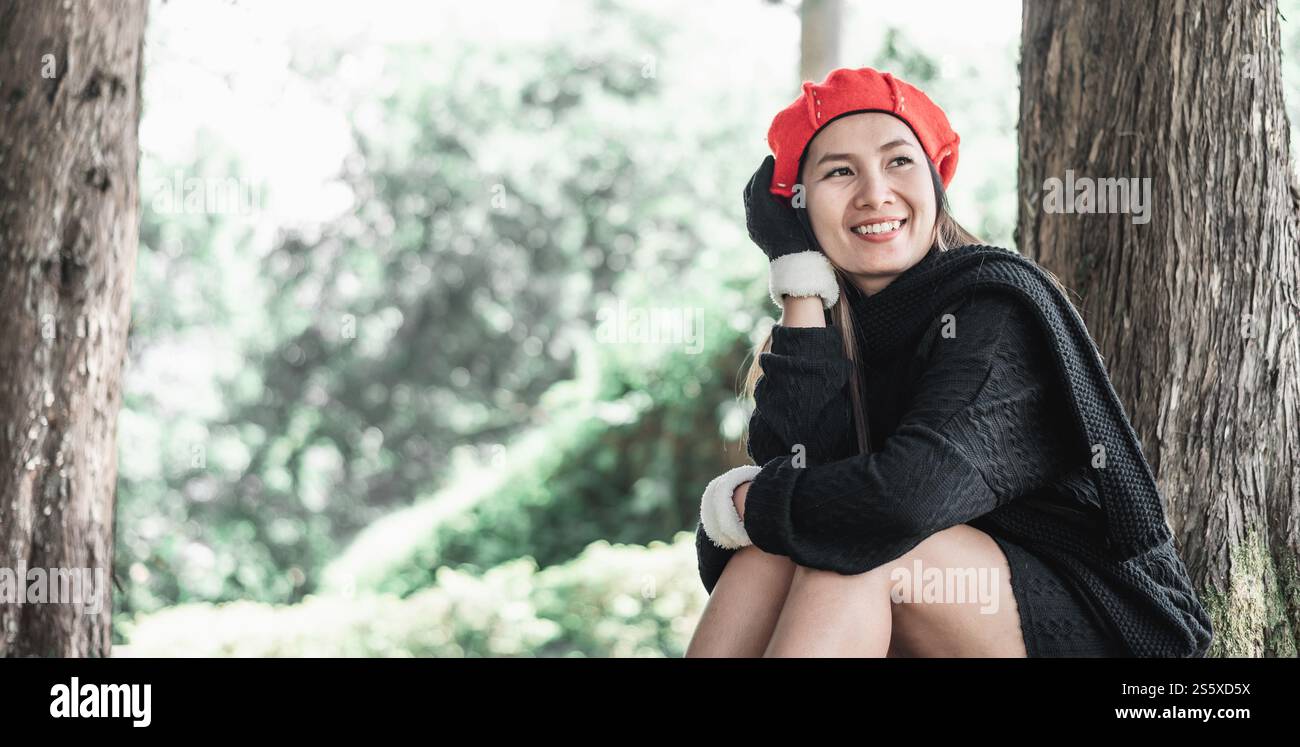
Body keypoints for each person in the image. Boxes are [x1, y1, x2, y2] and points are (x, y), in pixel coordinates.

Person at [685, 66, 1213, 658]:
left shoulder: (993, 305)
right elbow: (804, 479)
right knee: (780, 548)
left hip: (1102, 614)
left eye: (899, 161)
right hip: (936, 595)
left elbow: (899, 503)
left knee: (862, 546)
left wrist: (743, 503)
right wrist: (801, 282)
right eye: (839, 172)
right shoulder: (832, 328)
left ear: (937, 178)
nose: (874, 193)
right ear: (800, 211)